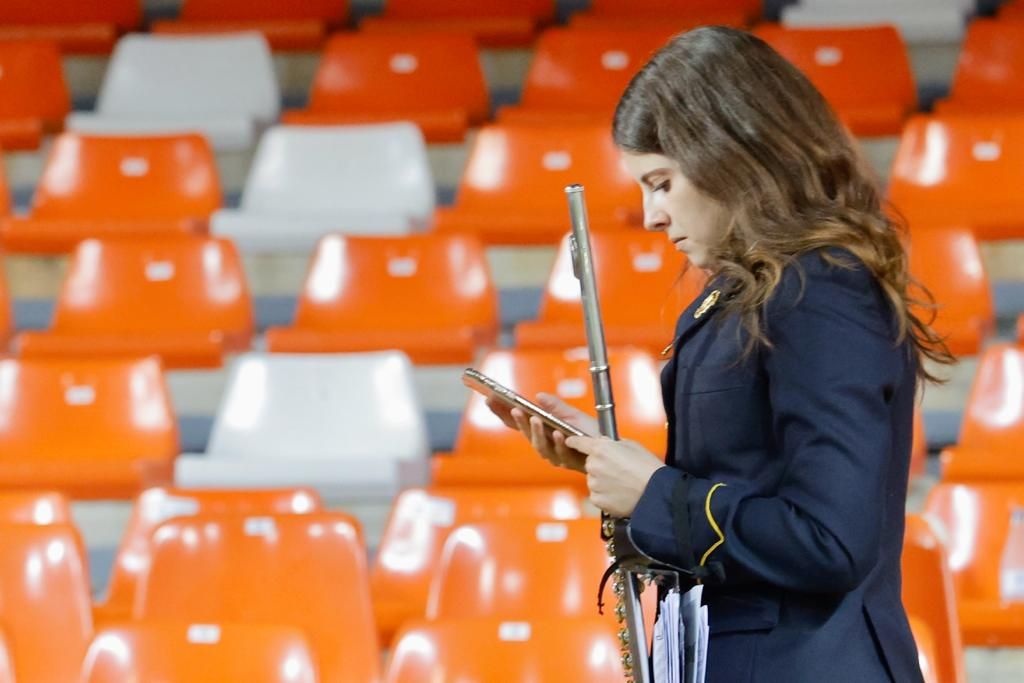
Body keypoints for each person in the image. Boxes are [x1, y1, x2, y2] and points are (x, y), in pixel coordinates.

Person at [486, 25, 955, 683]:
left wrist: (654, 493)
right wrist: (619, 473)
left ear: (729, 156)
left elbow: (831, 539)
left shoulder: (821, 291)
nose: (651, 215)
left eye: (662, 182)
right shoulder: (757, 294)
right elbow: (740, 496)